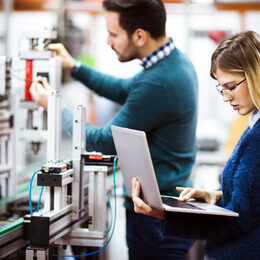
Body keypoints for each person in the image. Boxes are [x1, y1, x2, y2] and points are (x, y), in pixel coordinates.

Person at [30, 0, 198, 259]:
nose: (108, 40)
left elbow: (104, 142)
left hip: (156, 219)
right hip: (164, 213)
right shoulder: (172, 62)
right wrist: (74, 67)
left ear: (139, 35)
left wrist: (53, 107)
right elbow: (123, 89)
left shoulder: (159, 82)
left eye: (113, 34)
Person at [132, 30, 260, 260]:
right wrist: (213, 197)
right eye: (221, 89)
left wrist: (162, 214)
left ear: (255, 75)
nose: (226, 97)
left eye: (231, 86)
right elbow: (252, 201)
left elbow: (239, 222)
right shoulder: (253, 124)